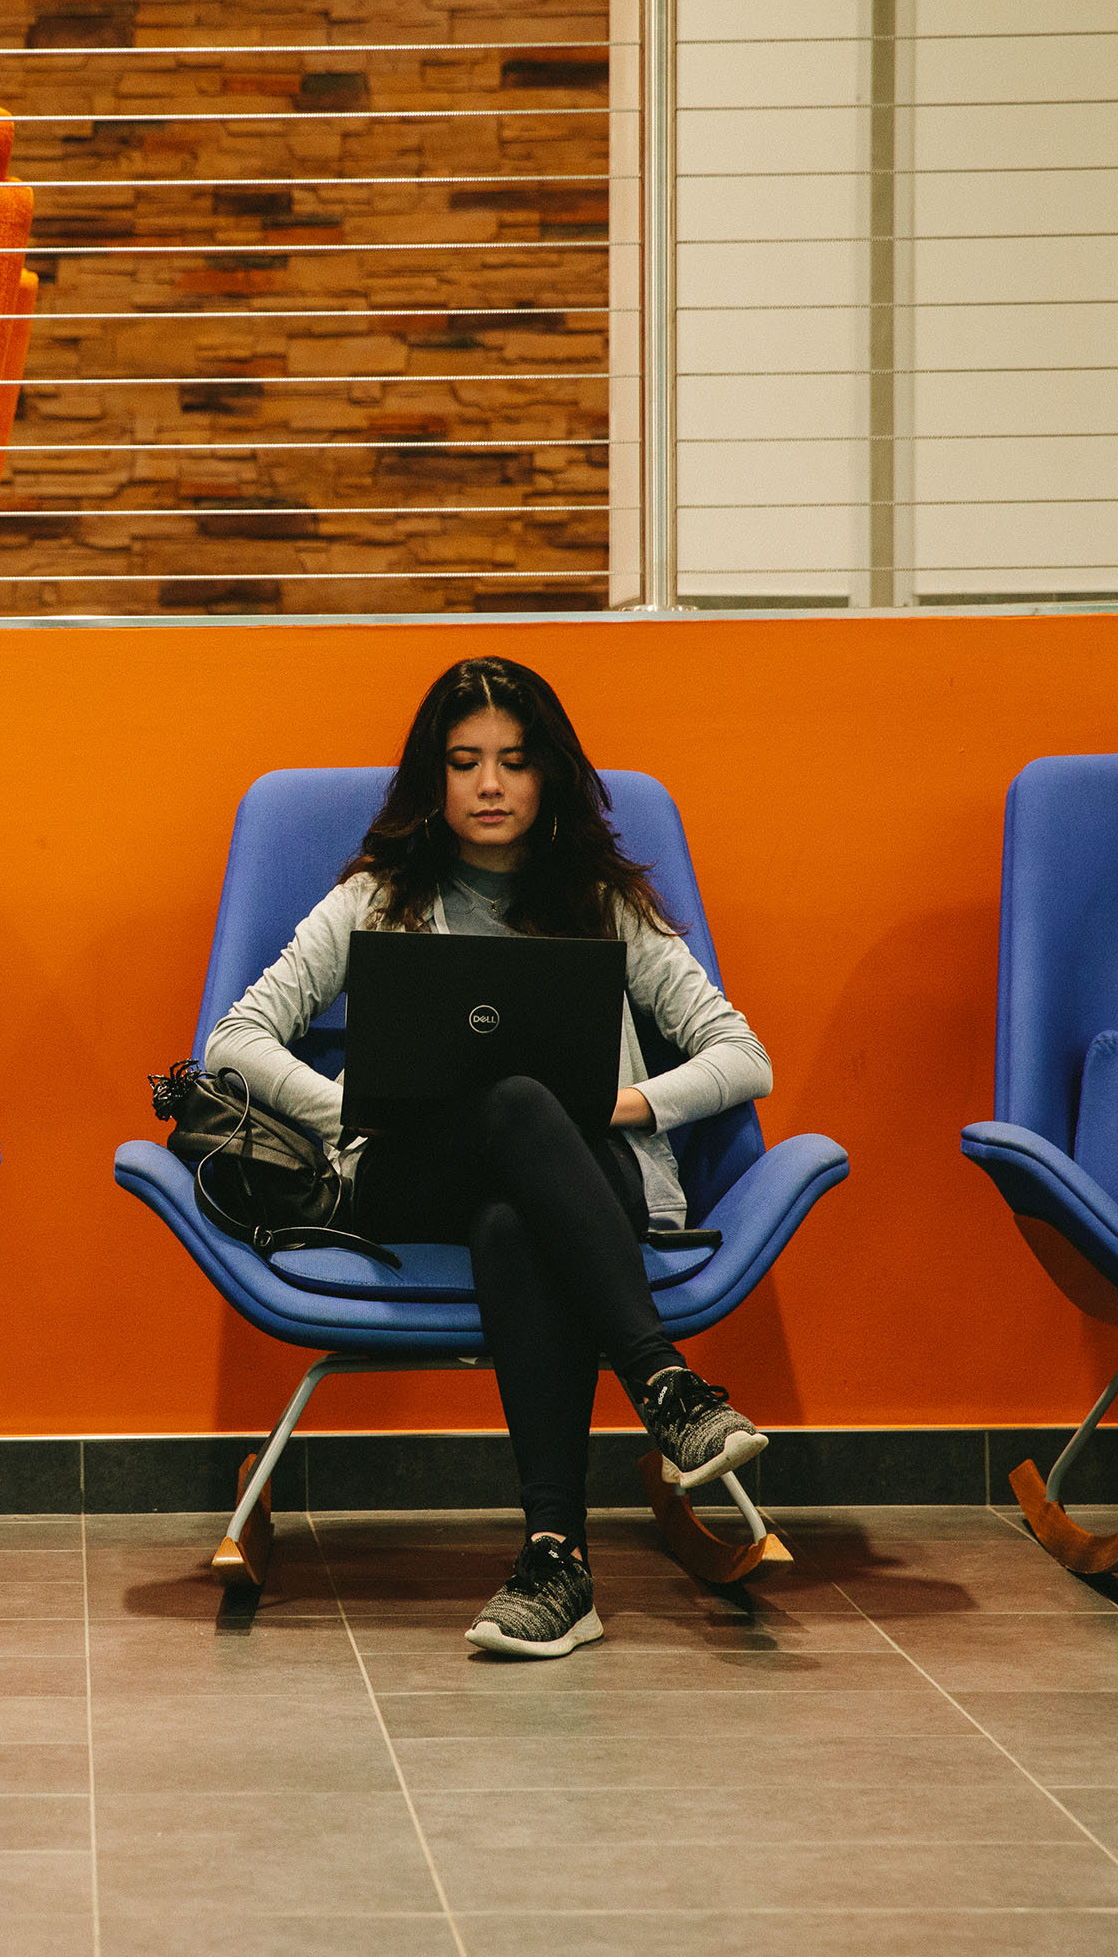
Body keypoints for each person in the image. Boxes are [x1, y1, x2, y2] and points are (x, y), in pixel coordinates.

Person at [204, 656, 774, 1659]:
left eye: (512, 761)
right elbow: (234, 1039)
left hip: (573, 1194)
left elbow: (743, 1056)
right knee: (515, 1098)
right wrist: (351, 1106)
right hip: (405, 1182)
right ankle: (664, 1386)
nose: (489, 785)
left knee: (515, 1215)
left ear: (547, 773)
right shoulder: (374, 898)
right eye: (464, 762)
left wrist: (624, 1101)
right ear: (434, 777)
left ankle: (554, 1561)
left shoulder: (606, 904)